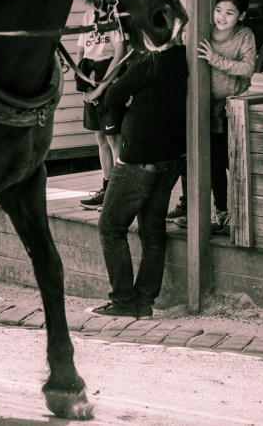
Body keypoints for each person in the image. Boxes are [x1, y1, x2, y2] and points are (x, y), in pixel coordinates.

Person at [90, 41, 188, 319]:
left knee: (110, 227)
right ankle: (144, 303)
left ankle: (123, 301)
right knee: (153, 232)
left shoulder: (149, 63)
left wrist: (132, 94)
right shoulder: (182, 57)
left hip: (139, 158)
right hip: (171, 157)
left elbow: (111, 97)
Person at [173, 0, 256, 235]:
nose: (222, 17)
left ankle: (243, 213)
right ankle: (220, 213)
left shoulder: (244, 36)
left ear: (241, 16)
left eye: (229, 13)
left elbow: (248, 68)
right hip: (205, 106)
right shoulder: (203, 31)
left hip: (233, 108)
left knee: (236, 161)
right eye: (218, 10)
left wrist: (215, 59)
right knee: (212, 162)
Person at [75, 0, 127, 210]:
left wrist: (101, 88)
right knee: (100, 136)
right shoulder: (87, 16)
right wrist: (85, 84)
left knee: (114, 137)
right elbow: (80, 52)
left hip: (109, 74)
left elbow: (120, 53)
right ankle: (106, 187)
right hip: (89, 74)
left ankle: (118, 191)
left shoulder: (116, 17)